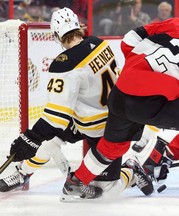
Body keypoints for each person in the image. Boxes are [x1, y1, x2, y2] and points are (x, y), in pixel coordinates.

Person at [56, 6, 179, 209]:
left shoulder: (176, 23)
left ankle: (75, 183)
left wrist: (137, 69)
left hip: (121, 91)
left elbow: (129, 40)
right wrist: (166, 86)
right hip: (149, 103)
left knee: (114, 146)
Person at [5, 7, 153, 199]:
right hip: (90, 120)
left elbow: (55, 117)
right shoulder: (99, 43)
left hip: (109, 129)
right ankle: (23, 173)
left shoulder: (65, 64)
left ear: (57, 35)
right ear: (78, 26)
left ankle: (131, 170)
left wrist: (30, 137)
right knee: (51, 140)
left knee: (105, 193)